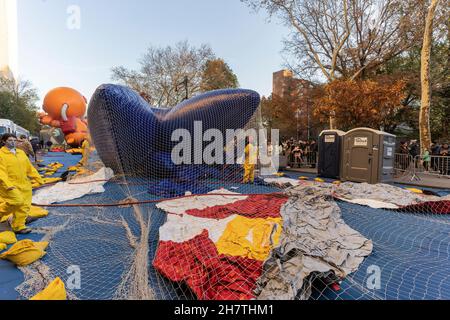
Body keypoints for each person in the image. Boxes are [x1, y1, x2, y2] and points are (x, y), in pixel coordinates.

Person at [0, 134, 44, 234]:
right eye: (10, 140)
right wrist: (7, 185)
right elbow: (1, 172)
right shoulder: (1, 154)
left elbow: (29, 168)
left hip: (24, 183)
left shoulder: (21, 153)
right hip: (9, 184)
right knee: (17, 201)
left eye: (15, 140)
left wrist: (39, 179)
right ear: (3, 142)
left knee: (24, 206)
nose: (13, 142)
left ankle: (19, 226)